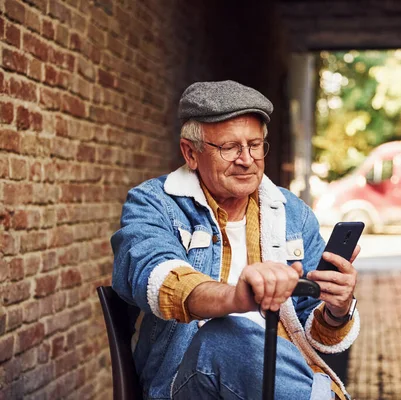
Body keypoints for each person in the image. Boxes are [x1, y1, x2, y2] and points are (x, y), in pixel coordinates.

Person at [111, 80, 361, 400]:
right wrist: (236, 299)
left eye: (255, 145)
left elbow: (317, 336)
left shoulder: (293, 215)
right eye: (230, 147)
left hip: (276, 384)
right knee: (228, 334)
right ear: (190, 152)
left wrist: (336, 310)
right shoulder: (153, 203)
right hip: (187, 384)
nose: (246, 159)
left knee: (262, 343)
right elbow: (156, 276)